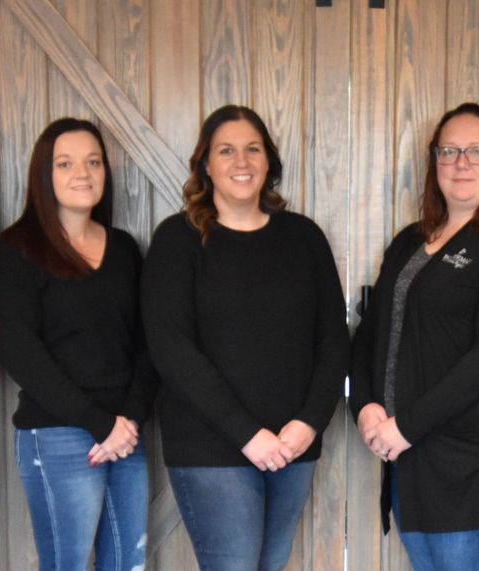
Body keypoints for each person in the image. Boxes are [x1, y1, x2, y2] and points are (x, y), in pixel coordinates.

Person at [141, 104, 348, 571]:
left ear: (269, 162)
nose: (242, 161)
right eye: (227, 150)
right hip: (211, 444)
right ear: (206, 165)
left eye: (253, 149)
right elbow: (171, 348)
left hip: (293, 444)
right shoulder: (179, 240)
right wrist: (247, 434)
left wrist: (309, 423)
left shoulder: (304, 237)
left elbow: (334, 340)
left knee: (269, 565)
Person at [349, 103, 479, 571]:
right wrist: (365, 406)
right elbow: (369, 335)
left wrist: (404, 427)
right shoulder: (408, 242)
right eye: (449, 151)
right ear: (434, 161)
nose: (462, 163)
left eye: (478, 151)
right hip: (415, 467)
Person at [0, 118, 154, 570]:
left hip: (125, 435)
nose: (83, 173)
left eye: (93, 162)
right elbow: (20, 352)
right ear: (45, 175)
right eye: (66, 163)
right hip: (59, 434)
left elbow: (145, 343)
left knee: (128, 565)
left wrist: (128, 422)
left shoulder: (123, 249)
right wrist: (96, 422)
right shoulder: (17, 249)